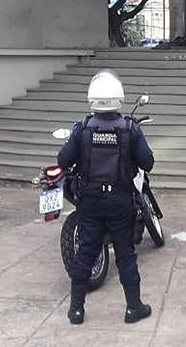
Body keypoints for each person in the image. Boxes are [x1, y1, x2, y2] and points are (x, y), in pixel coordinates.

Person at [57, 69, 155, 325]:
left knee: (85, 252)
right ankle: (133, 307)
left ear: (92, 98)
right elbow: (147, 162)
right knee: (125, 254)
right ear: (118, 97)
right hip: (120, 201)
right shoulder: (130, 129)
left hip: (90, 201)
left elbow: (63, 160)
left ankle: (76, 310)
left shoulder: (82, 129)